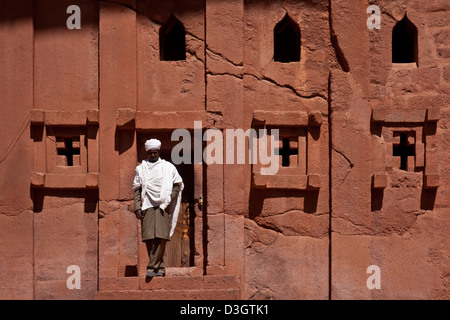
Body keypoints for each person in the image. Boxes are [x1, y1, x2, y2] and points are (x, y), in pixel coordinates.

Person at [132, 139, 183, 277]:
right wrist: (137, 207)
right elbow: (137, 189)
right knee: (149, 237)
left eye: (155, 152)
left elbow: (177, 185)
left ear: (158, 152)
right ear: (147, 153)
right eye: (150, 153)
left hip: (162, 206)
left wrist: (168, 198)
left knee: (161, 237)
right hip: (147, 206)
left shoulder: (168, 167)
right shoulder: (141, 168)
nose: (153, 155)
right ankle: (159, 268)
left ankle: (151, 266)